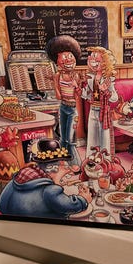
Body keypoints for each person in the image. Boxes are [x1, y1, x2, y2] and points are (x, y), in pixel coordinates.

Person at [0, 138, 92, 219]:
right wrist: (83, 199)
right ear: (54, 168)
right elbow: (69, 206)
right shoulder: (50, 190)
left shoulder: (19, 178)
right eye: (63, 165)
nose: (66, 169)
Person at [46, 35, 83, 166]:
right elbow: (58, 96)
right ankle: (64, 164)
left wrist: (76, 87)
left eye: (70, 56)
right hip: (63, 108)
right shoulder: (58, 76)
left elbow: (78, 96)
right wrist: (57, 85)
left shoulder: (76, 76)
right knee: (63, 138)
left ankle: (76, 165)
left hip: (73, 110)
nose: (68, 59)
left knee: (70, 139)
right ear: (57, 60)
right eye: (64, 56)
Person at [81, 46, 118, 156]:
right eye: (92, 60)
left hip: (104, 111)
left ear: (105, 63)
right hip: (93, 110)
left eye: (97, 61)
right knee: (92, 136)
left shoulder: (108, 79)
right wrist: (78, 88)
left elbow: (114, 98)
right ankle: (91, 158)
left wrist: (106, 90)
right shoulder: (90, 78)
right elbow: (86, 94)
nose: (93, 63)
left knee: (104, 137)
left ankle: (105, 159)